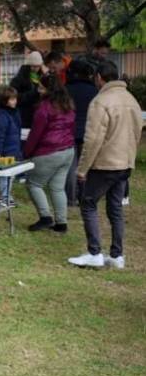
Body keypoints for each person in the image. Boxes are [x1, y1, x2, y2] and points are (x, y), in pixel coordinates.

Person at [68, 60, 144, 270]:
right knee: (115, 208)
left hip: (105, 164)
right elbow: (137, 131)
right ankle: (117, 256)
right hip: (125, 163)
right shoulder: (131, 99)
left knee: (88, 204)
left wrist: (82, 169)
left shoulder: (101, 101)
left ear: (99, 78)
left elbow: (92, 139)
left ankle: (94, 253)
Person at [22, 74, 76, 233]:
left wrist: (27, 152)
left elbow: (35, 134)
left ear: (48, 89)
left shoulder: (44, 108)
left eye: (41, 87)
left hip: (49, 152)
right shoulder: (68, 105)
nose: (38, 90)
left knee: (33, 184)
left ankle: (45, 217)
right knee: (57, 188)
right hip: (68, 151)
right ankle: (61, 223)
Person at [65, 59, 99, 205]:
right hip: (88, 130)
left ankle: (71, 198)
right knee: (86, 164)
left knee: (70, 166)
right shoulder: (94, 90)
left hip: (69, 131)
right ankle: (85, 196)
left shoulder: (66, 89)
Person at [0, 86, 23, 206]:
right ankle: (3, 197)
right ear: (4, 100)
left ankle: (6, 196)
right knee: (4, 176)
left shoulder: (15, 113)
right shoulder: (2, 115)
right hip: (5, 152)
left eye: (15, 98)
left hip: (14, 150)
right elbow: (0, 136)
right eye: (11, 99)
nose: (14, 101)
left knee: (11, 175)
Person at [10, 51, 45, 129]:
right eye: (33, 66)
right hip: (24, 115)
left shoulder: (42, 77)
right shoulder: (19, 79)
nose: (35, 69)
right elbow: (14, 96)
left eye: (37, 66)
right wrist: (34, 93)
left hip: (38, 114)